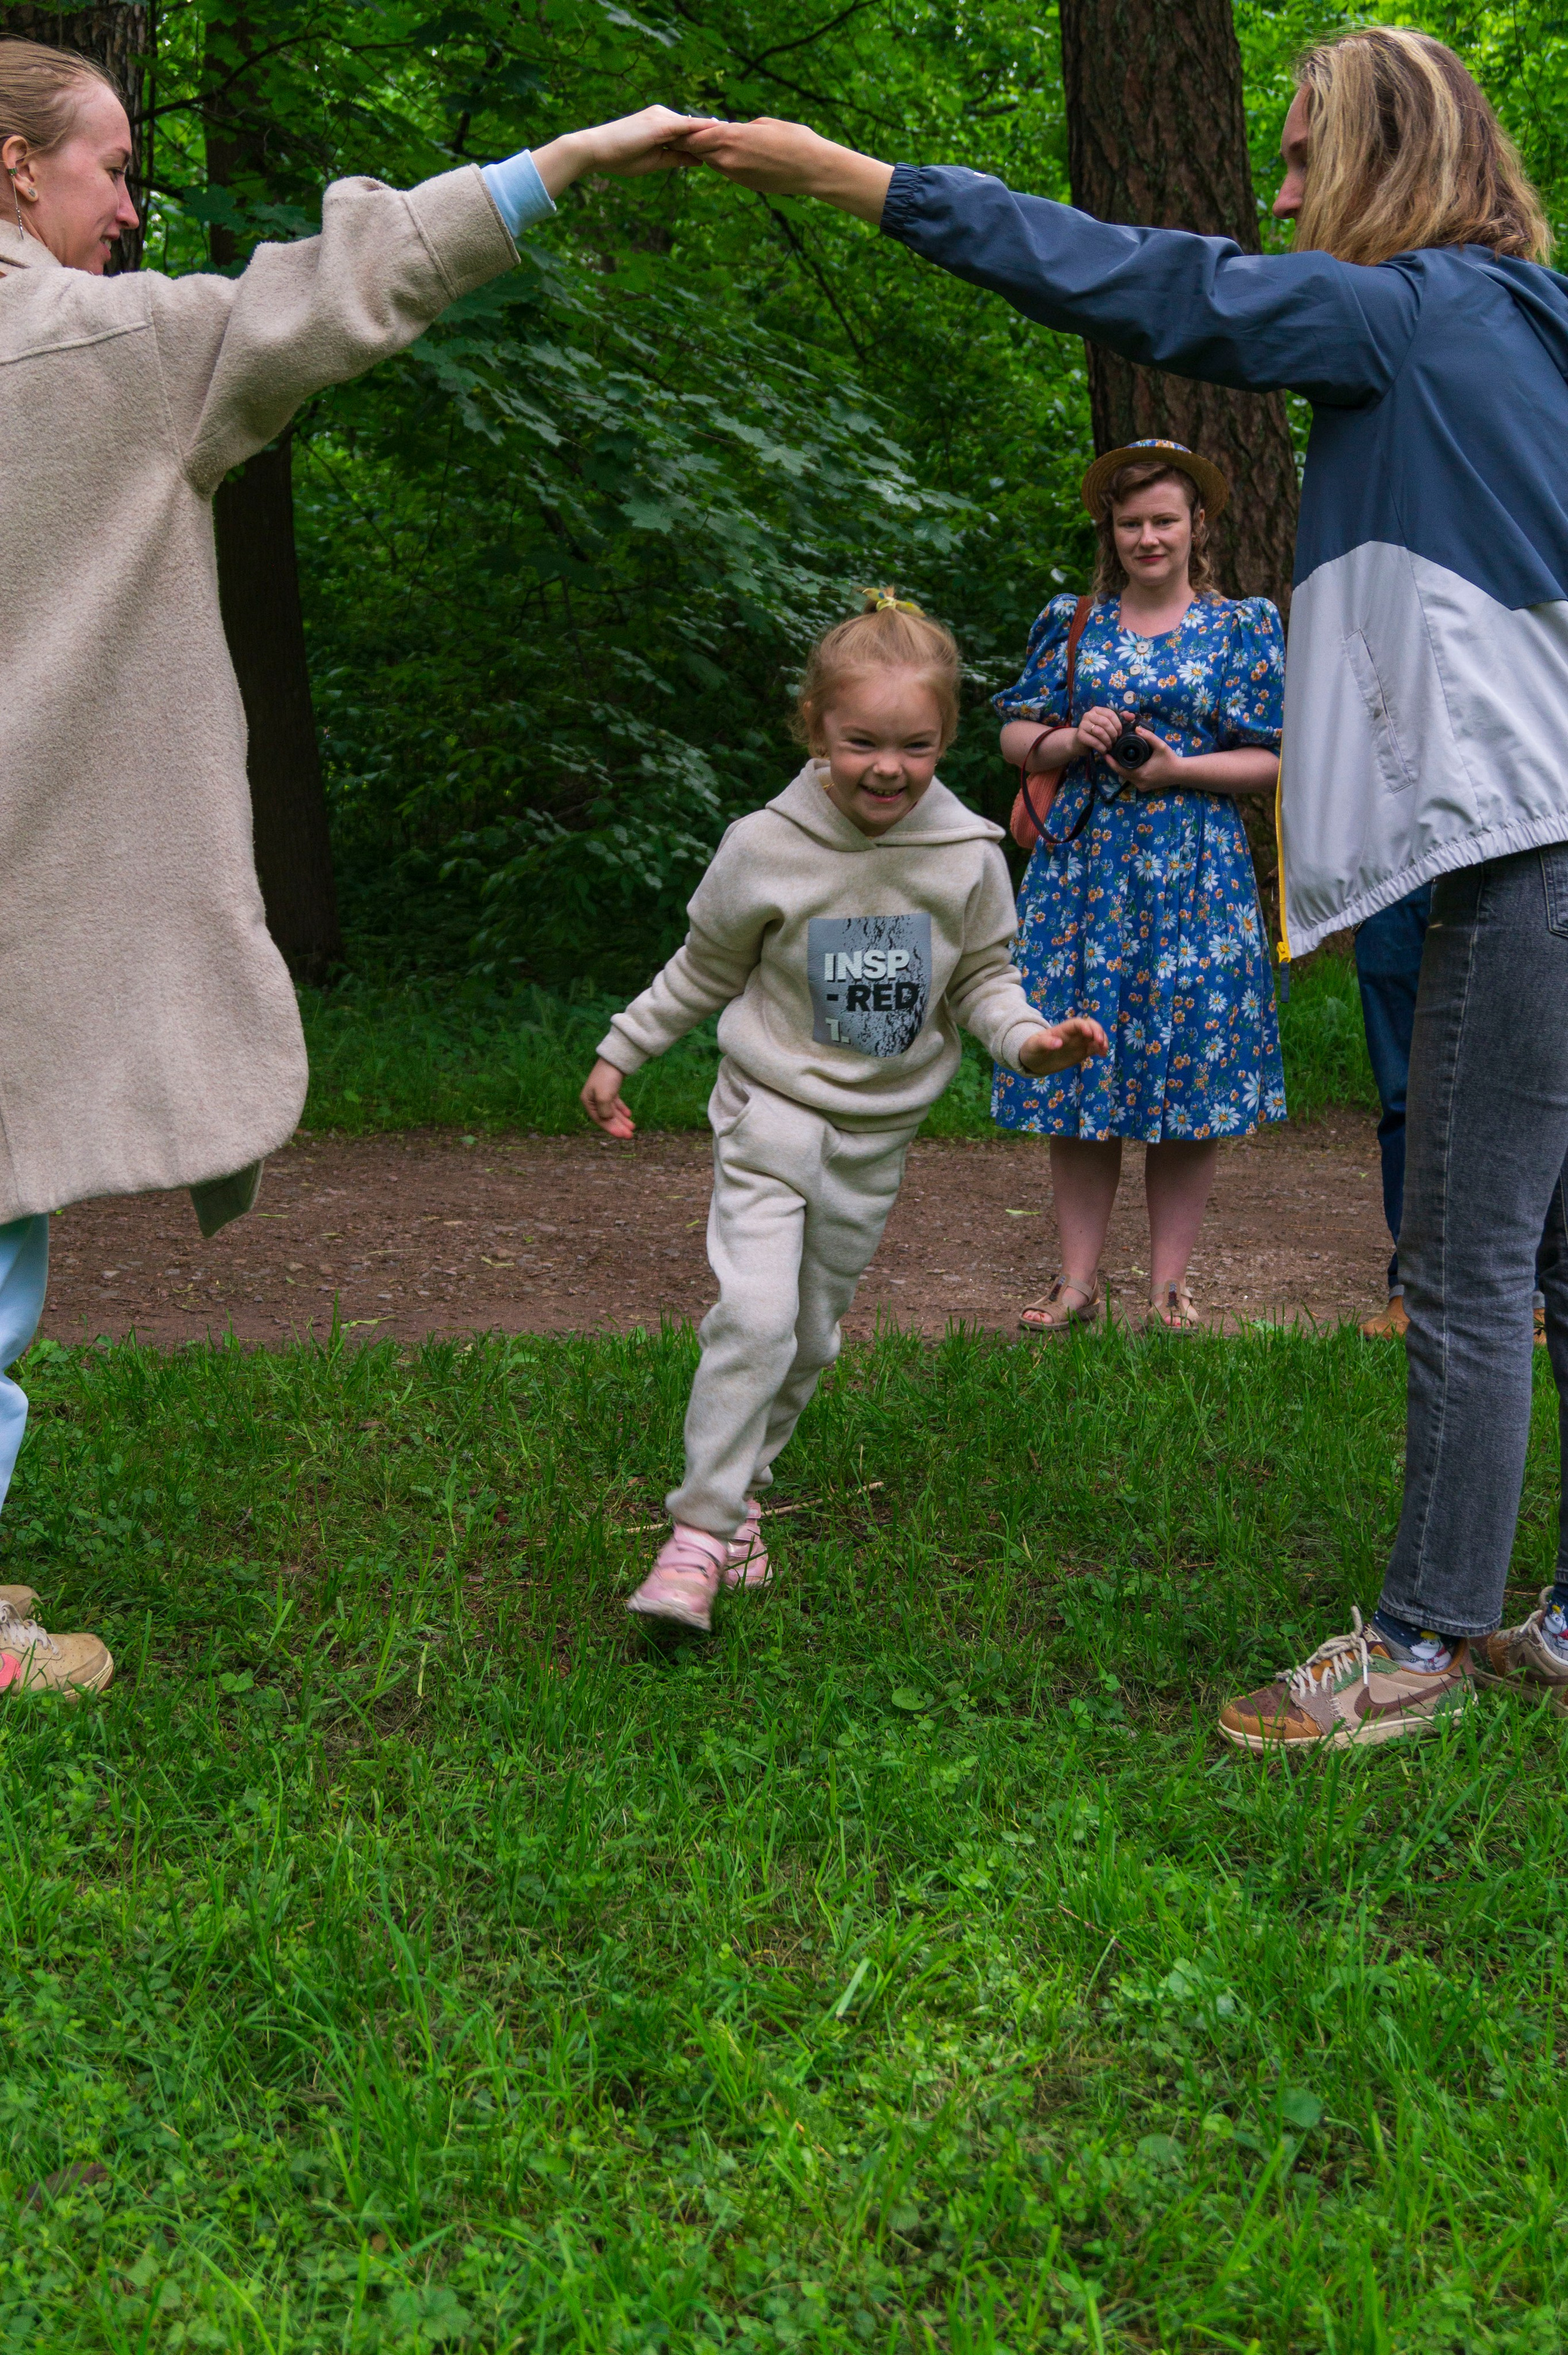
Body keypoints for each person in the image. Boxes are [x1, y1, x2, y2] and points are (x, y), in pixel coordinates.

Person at [679, 27, 1568, 1746]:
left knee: (1464, 1264)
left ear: (1384, 158)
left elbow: (1149, 284)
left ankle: (1417, 1644)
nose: (1284, 197)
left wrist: (860, 181)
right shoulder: (1540, 327)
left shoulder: (1402, 314)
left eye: (1302, 157)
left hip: (1528, 861)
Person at [0, 33, 702, 1693]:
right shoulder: (94, 349)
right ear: (14, 164)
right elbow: (339, 286)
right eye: (111, 165)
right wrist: (568, 161)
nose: (128, 205)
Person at [579, 596, 1106, 1633]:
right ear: (815, 727)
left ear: (946, 739)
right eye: (862, 741)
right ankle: (697, 1534)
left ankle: (741, 1497)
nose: (888, 768)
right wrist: (622, 1049)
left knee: (810, 1337)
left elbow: (984, 982)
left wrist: (1030, 1041)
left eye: (916, 746)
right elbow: (703, 968)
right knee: (755, 1317)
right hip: (769, 1115)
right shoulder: (762, 847)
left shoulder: (968, 855)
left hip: (875, 1140)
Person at [995, 440, 1284, 1335]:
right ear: (1110, 531)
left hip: (1196, 878)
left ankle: (1167, 1289)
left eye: (1164, 520)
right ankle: (1076, 1282)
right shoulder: (1072, 621)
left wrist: (1178, 768)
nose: (1148, 537)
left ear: (1198, 524)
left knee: (1187, 1081)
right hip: (1084, 878)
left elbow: (1272, 758)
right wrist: (1071, 739)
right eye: (1131, 523)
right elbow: (1014, 738)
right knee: (1078, 1076)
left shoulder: (1240, 628)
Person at [1355, 886, 1433, 1339]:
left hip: (1502, 863)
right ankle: (1414, 1286)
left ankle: (1535, 1291)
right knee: (1406, 1096)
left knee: (1514, 1092)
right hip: (1392, 875)